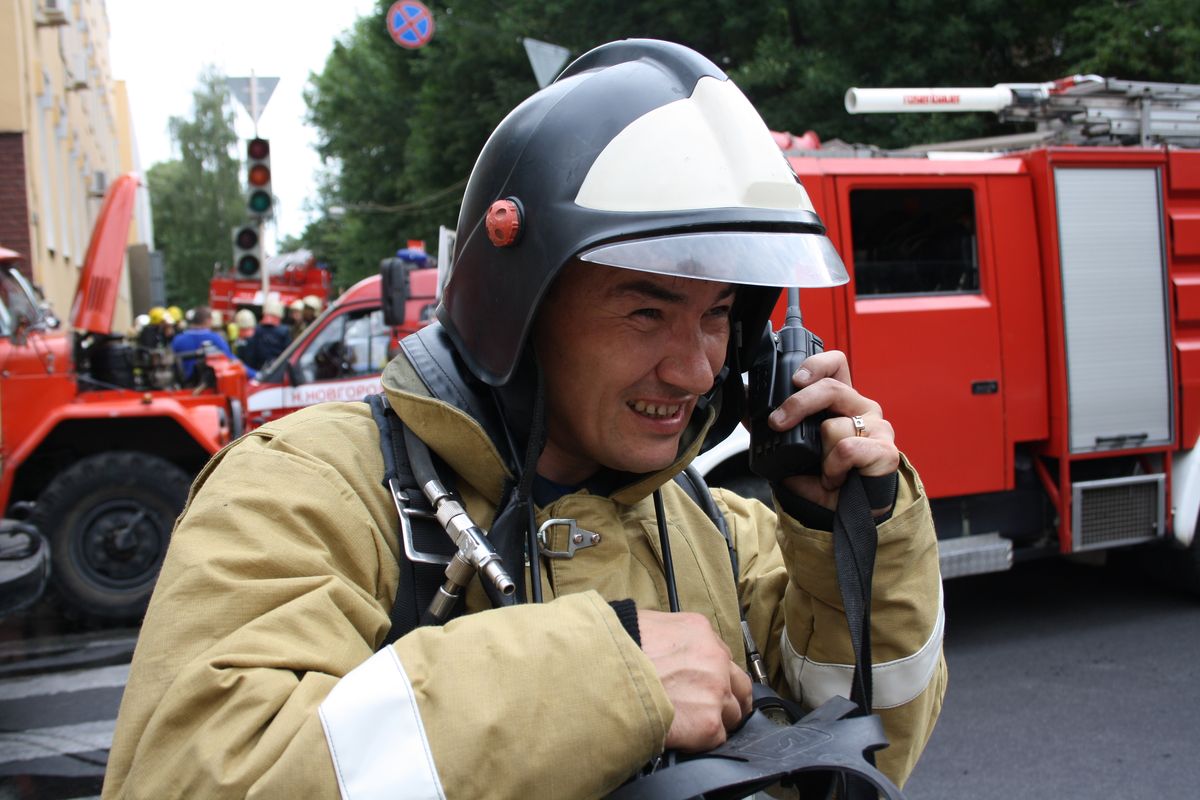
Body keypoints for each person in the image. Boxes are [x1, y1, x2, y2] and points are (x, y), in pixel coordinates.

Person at [103, 40, 944, 799]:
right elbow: (196, 777)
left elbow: (864, 752)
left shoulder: (717, 529)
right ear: (517, 306)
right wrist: (602, 676)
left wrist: (851, 543)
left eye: (718, 315)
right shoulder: (306, 493)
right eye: (646, 313)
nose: (695, 370)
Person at [170, 306, 256, 382]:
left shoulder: (178, 339)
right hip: (209, 390)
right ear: (208, 320)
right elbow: (232, 361)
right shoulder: (215, 339)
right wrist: (256, 375)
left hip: (183, 387)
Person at [240, 298, 291, 370]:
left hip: (258, 370)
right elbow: (289, 353)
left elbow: (250, 354)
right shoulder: (284, 331)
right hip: (277, 371)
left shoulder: (257, 329)